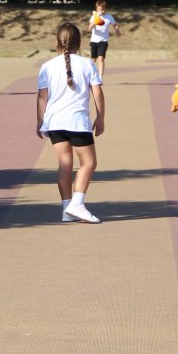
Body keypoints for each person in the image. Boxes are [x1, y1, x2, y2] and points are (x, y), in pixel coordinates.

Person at [36, 22, 105, 224]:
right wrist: (100, 117)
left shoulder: (47, 66)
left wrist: (40, 120)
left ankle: (66, 210)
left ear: (57, 42)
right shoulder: (87, 64)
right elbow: (97, 92)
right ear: (79, 42)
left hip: (54, 121)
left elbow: (42, 96)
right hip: (77, 121)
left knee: (65, 164)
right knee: (89, 163)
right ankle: (77, 203)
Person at [88, 0, 121, 78]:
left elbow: (115, 26)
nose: (101, 11)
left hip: (103, 41)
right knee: (93, 60)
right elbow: (89, 28)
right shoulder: (94, 16)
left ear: (106, 9)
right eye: (99, 10)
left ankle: (100, 77)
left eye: (102, 9)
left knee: (101, 58)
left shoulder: (109, 17)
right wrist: (96, 19)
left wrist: (117, 30)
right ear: (96, 9)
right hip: (94, 41)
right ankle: (90, 75)